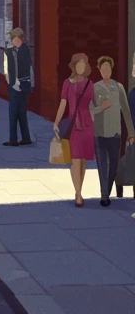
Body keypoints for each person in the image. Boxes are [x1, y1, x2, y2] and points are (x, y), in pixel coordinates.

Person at [89, 56, 135, 207]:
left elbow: (126, 111)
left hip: (115, 133)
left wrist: (131, 132)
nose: (106, 71)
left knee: (113, 166)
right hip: (100, 133)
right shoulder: (95, 88)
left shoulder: (118, 87)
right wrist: (102, 107)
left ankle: (107, 190)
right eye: (103, 69)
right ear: (100, 70)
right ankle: (104, 196)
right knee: (103, 165)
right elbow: (90, 111)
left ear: (111, 69)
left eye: (108, 68)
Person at [53, 53, 95, 208]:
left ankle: (80, 188)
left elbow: (93, 104)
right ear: (74, 65)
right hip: (73, 125)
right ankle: (78, 193)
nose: (81, 66)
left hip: (87, 125)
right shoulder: (67, 83)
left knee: (83, 160)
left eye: (84, 64)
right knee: (75, 159)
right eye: (78, 63)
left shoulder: (90, 84)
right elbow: (63, 103)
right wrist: (56, 122)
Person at [3, 28, 33, 147]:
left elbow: (29, 67)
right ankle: (18, 138)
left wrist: (29, 83)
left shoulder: (25, 50)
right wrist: (12, 83)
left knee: (19, 112)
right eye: (14, 39)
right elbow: (6, 70)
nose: (16, 41)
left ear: (22, 39)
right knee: (16, 113)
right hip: (14, 85)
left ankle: (20, 139)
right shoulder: (9, 51)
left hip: (23, 85)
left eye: (18, 39)